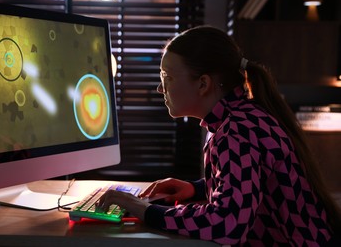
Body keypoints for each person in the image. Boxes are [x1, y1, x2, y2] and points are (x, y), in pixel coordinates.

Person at [97, 25, 341, 246]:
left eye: (167, 78)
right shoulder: (243, 116)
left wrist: (143, 210)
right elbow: (251, 181)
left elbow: (227, 224)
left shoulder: (236, 131)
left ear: (203, 84)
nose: (161, 88)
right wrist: (197, 189)